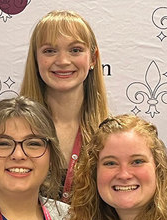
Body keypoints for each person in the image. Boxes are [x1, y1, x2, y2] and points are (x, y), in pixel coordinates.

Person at [20, 9, 109, 201]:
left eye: (75, 50)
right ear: (35, 59)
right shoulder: (10, 130)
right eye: (50, 51)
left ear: (93, 59)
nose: (62, 61)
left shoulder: (110, 135)